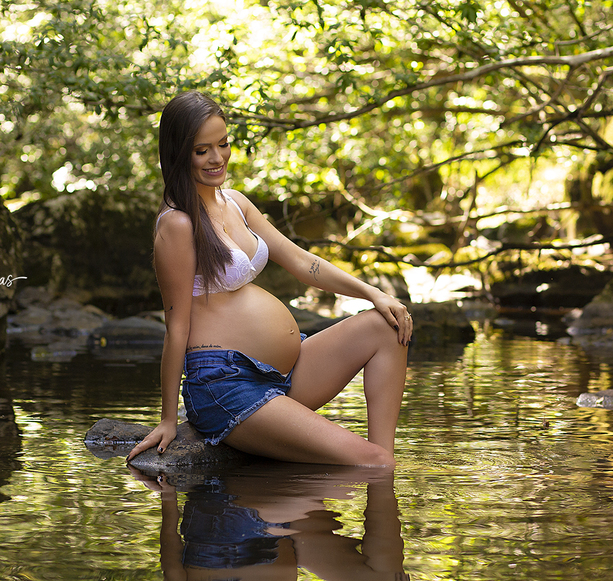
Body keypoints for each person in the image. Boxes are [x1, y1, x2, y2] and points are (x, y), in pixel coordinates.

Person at [126, 91, 411, 468]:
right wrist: (167, 419)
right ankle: (376, 465)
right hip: (226, 384)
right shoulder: (178, 224)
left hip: (286, 372)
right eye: (202, 150)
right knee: (375, 465)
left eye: (223, 144)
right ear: (178, 153)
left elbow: (299, 260)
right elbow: (176, 327)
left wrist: (373, 293)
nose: (217, 158)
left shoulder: (236, 203)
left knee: (386, 325)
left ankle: (381, 465)